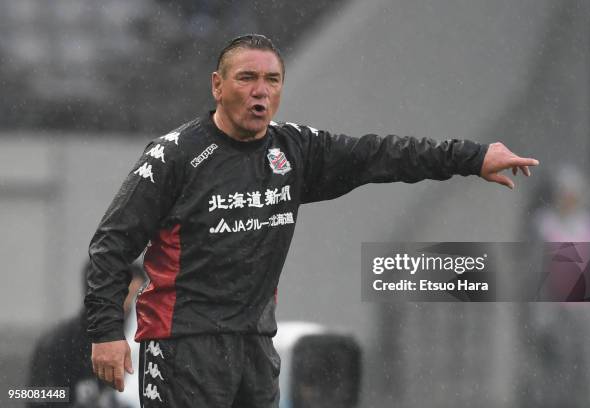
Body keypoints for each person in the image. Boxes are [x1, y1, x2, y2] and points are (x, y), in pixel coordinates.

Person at [85, 34, 539, 408]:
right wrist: (106, 332)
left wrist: (474, 157)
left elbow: (383, 154)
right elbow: (112, 244)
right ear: (217, 86)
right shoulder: (175, 156)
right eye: (246, 78)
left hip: (255, 342)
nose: (260, 90)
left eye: (272, 80)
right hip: (184, 343)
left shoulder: (295, 150)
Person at [29, 261, 144, 408]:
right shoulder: (58, 343)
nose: (134, 310)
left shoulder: (140, 342)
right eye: (127, 299)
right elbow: (36, 396)